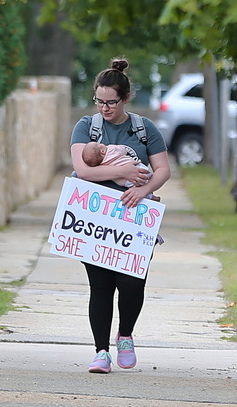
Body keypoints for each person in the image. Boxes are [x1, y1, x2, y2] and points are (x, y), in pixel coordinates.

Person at [70, 57, 171, 374]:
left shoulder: (143, 129)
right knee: (100, 287)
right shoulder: (87, 127)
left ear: (125, 98)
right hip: (95, 220)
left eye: (111, 102)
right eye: (99, 101)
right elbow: (83, 171)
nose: (104, 108)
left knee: (131, 285)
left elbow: (163, 169)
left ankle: (125, 335)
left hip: (135, 218)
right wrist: (122, 169)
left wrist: (142, 189)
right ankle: (101, 352)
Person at [81, 141, 161, 202]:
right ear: (102, 151)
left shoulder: (102, 166)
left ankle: (151, 197)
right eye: (98, 144)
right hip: (137, 169)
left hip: (126, 182)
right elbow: (123, 150)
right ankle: (150, 181)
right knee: (147, 177)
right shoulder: (111, 149)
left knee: (135, 189)